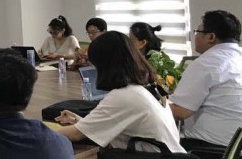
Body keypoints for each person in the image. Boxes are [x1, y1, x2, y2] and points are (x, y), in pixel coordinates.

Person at [54, 31, 184, 152]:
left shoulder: (123, 95)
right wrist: (80, 122)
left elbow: (76, 134)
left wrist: (43, 131)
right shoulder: (149, 87)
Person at [170, 10, 242, 148]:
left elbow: (181, 111)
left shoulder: (207, 62)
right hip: (235, 151)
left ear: (211, 37)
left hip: (211, 148)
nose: (195, 36)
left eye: (197, 32)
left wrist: (154, 104)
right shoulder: (238, 58)